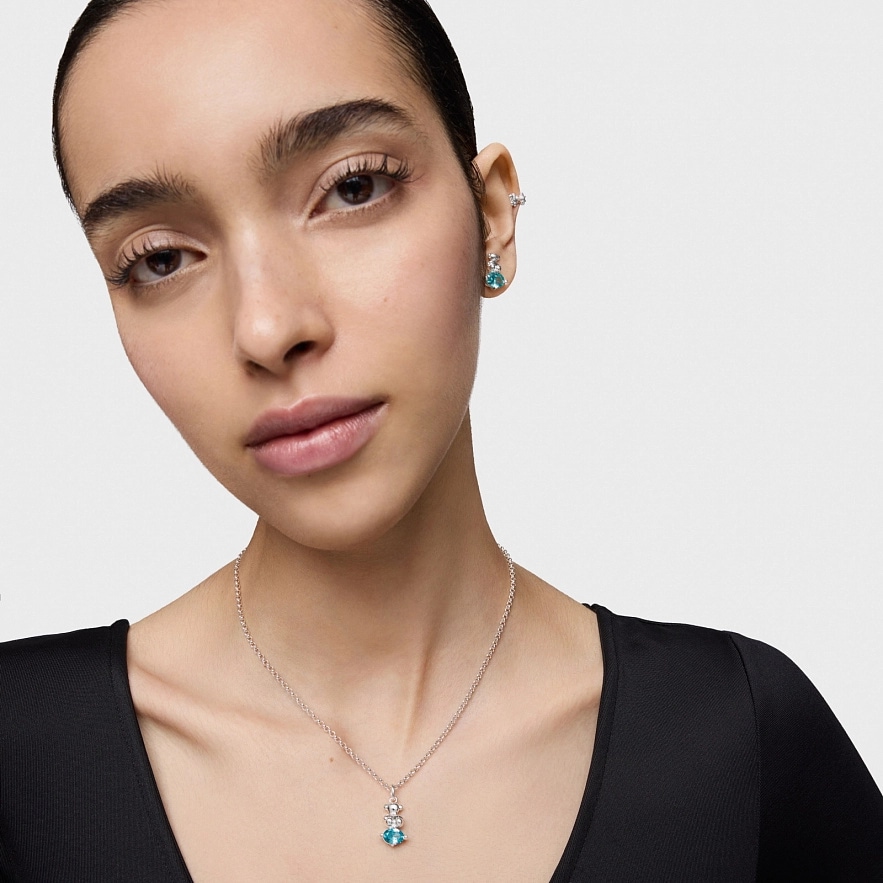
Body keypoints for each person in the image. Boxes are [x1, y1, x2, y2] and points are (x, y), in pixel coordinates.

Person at [1, 0, 881, 880]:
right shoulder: (20, 753)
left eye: (352, 188)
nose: (267, 327)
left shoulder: (738, 740)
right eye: (159, 258)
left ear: (491, 214)